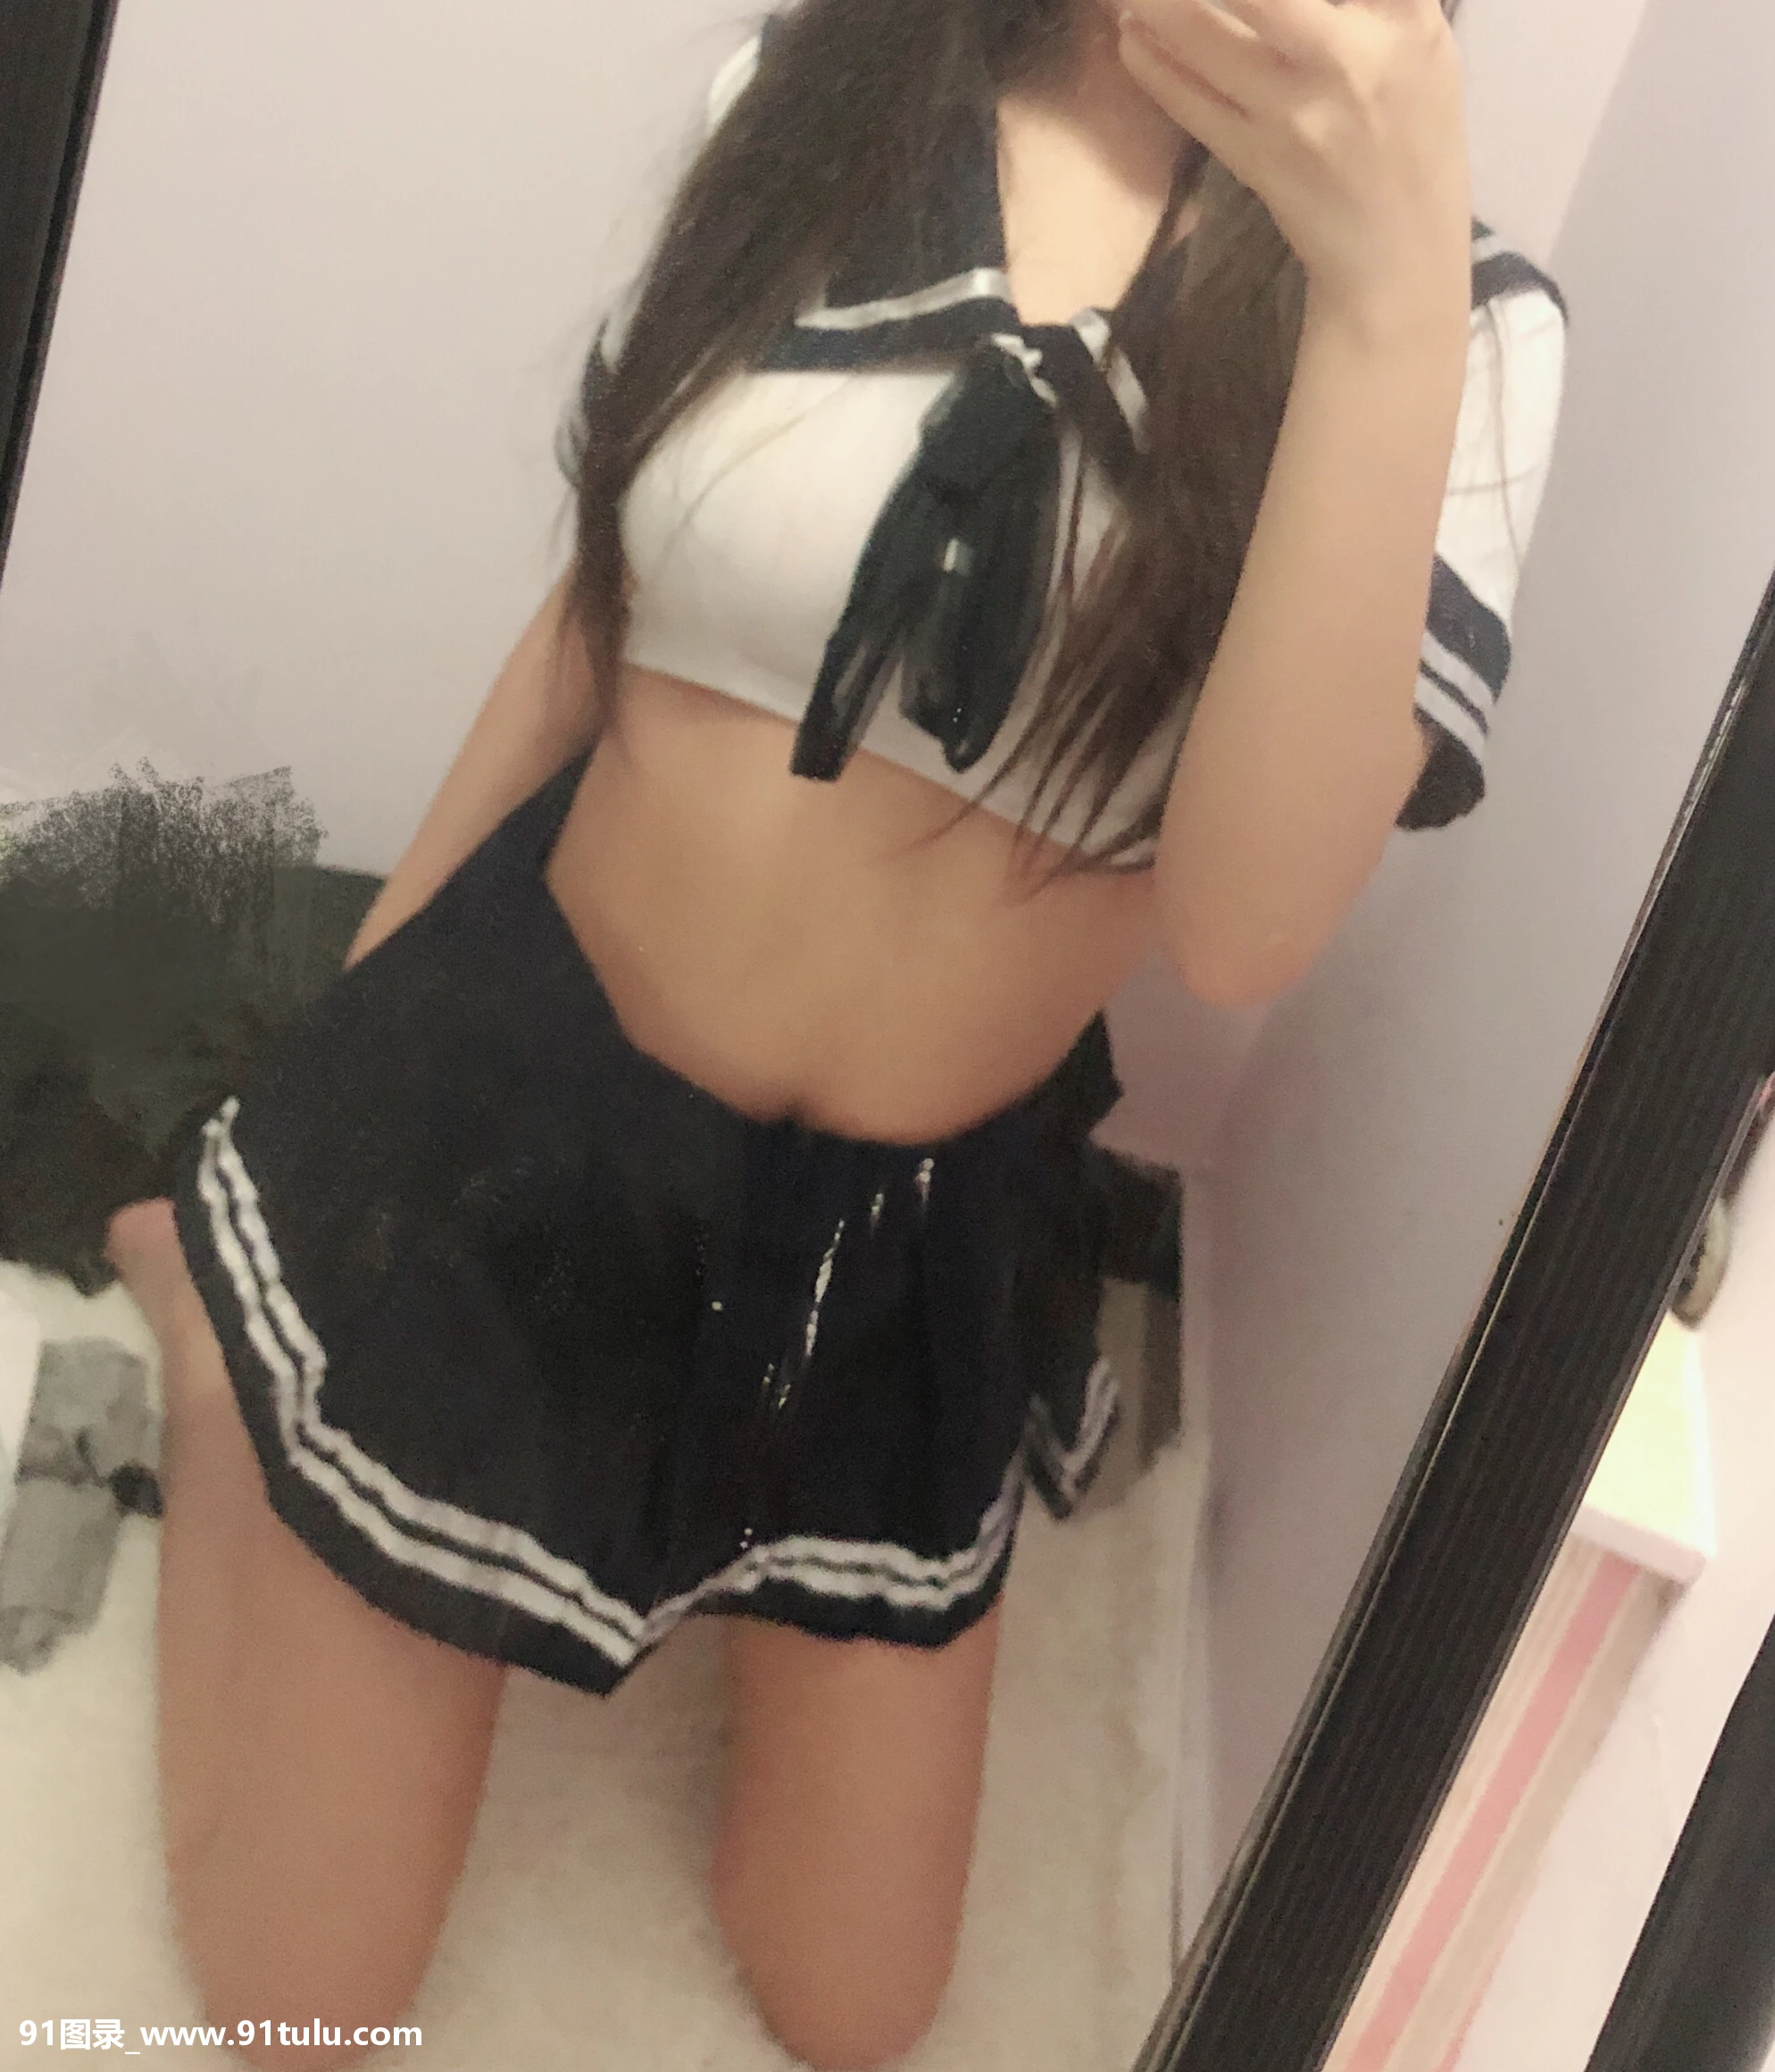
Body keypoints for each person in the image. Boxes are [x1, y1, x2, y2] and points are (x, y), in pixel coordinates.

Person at [104, 1, 1565, 2066]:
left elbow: (1240, 925)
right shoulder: (830, 94)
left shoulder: (1459, 327)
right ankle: (214, 1331)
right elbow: (592, 615)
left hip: (892, 1258)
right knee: (298, 2009)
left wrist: (1385, 290)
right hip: (534, 1117)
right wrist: (347, 1067)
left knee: (852, 1999)